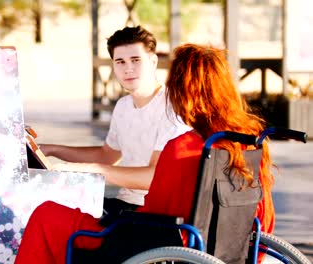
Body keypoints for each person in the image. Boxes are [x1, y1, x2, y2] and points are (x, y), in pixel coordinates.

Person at [14, 43, 275, 264]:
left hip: (159, 248)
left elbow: (154, 216)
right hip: (223, 249)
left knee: (46, 214)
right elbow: (265, 215)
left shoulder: (183, 147)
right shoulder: (250, 142)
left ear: (182, 92)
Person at [41, 26, 191, 212]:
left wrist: (89, 170)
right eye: (120, 62)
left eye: (136, 60)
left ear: (153, 62)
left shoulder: (171, 107)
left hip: (154, 211)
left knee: (50, 215)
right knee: (44, 205)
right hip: (124, 204)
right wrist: (51, 149)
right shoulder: (123, 106)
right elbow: (106, 156)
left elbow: (156, 177)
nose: (128, 68)